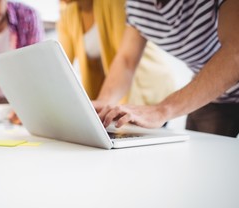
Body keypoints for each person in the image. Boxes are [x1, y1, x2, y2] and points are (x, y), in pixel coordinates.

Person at [95, 0, 239, 137]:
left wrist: (161, 110)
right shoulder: (136, 6)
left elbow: (235, 52)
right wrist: (103, 103)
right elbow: (126, 61)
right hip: (210, 96)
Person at [57, 0, 176, 107]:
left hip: (147, 88)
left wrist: (106, 102)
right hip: (116, 91)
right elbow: (61, 65)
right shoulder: (67, 16)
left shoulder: (116, 2)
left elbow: (126, 61)